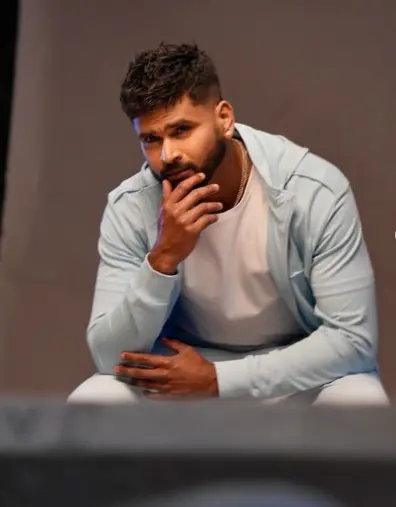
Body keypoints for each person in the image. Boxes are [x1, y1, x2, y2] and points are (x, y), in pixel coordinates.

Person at [68, 42, 388, 405]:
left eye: (182, 130)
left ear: (223, 118)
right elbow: (111, 358)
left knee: (360, 400)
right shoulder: (131, 206)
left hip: (291, 377)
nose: (168, 154)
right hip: (184, 375)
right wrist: (163, 259)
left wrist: (221, 379)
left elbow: (353, 341)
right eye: (151, 140)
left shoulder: (313, 190)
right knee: (95, 400)